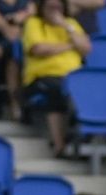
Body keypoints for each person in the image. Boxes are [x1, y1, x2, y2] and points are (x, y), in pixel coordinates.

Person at [21, 0, 89, 154]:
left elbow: (86, 48)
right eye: (50, 7)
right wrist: (70, 46)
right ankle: (59, 144)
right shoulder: (34, 23)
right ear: (42, 8)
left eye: (58, 7)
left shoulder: (71, 24)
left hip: (73, 76)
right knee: (56, 90)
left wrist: (66, 26)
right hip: (41, 76)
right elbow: (39, 49)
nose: (54, 11)